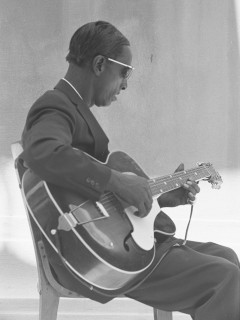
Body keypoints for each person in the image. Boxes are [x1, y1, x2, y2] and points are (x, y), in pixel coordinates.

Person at [20, 21, 240, 320]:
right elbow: (43, 152)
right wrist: (116, 181)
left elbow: (100, 205)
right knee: (225, 278)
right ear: (100, 64)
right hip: (88, 256)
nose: (125, 84)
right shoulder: (56, 106)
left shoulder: (73, 110)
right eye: (125, 71)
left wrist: (160, 199)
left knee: (227, 257)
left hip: (108, 245)